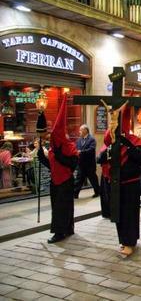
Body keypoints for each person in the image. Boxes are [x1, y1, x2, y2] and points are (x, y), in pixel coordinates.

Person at [98, 106, 141, 255]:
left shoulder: (135, 141)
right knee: (119, 215)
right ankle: (124, 240)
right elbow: (100, 159)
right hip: (115, 185)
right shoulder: (110, 142)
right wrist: (109, 151)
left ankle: (130, 242)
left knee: (129, 215)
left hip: (130, 185)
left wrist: (127, 144)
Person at [37, 95, 78, 243]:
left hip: (66, 181)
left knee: (62, 207)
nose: (50, 139)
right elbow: (52, 165)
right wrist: (42, 156)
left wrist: (59, 155)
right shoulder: (53, 150)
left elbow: (72, 164)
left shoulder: (69, 147)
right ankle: (67, 228)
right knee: (58, 207)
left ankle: (60, 232)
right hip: (55, 181)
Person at [74, 124, 100, 199]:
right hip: (81, 164)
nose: (79, 132)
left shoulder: (92, 139)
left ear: (85, 130)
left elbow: (91, 150)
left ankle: (97, 192)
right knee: (79, 180)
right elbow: (76, 149)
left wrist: (81, 152)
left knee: (93, 179)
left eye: (80, 130)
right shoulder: (79, 140)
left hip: (89, 164)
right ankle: (75, 194)